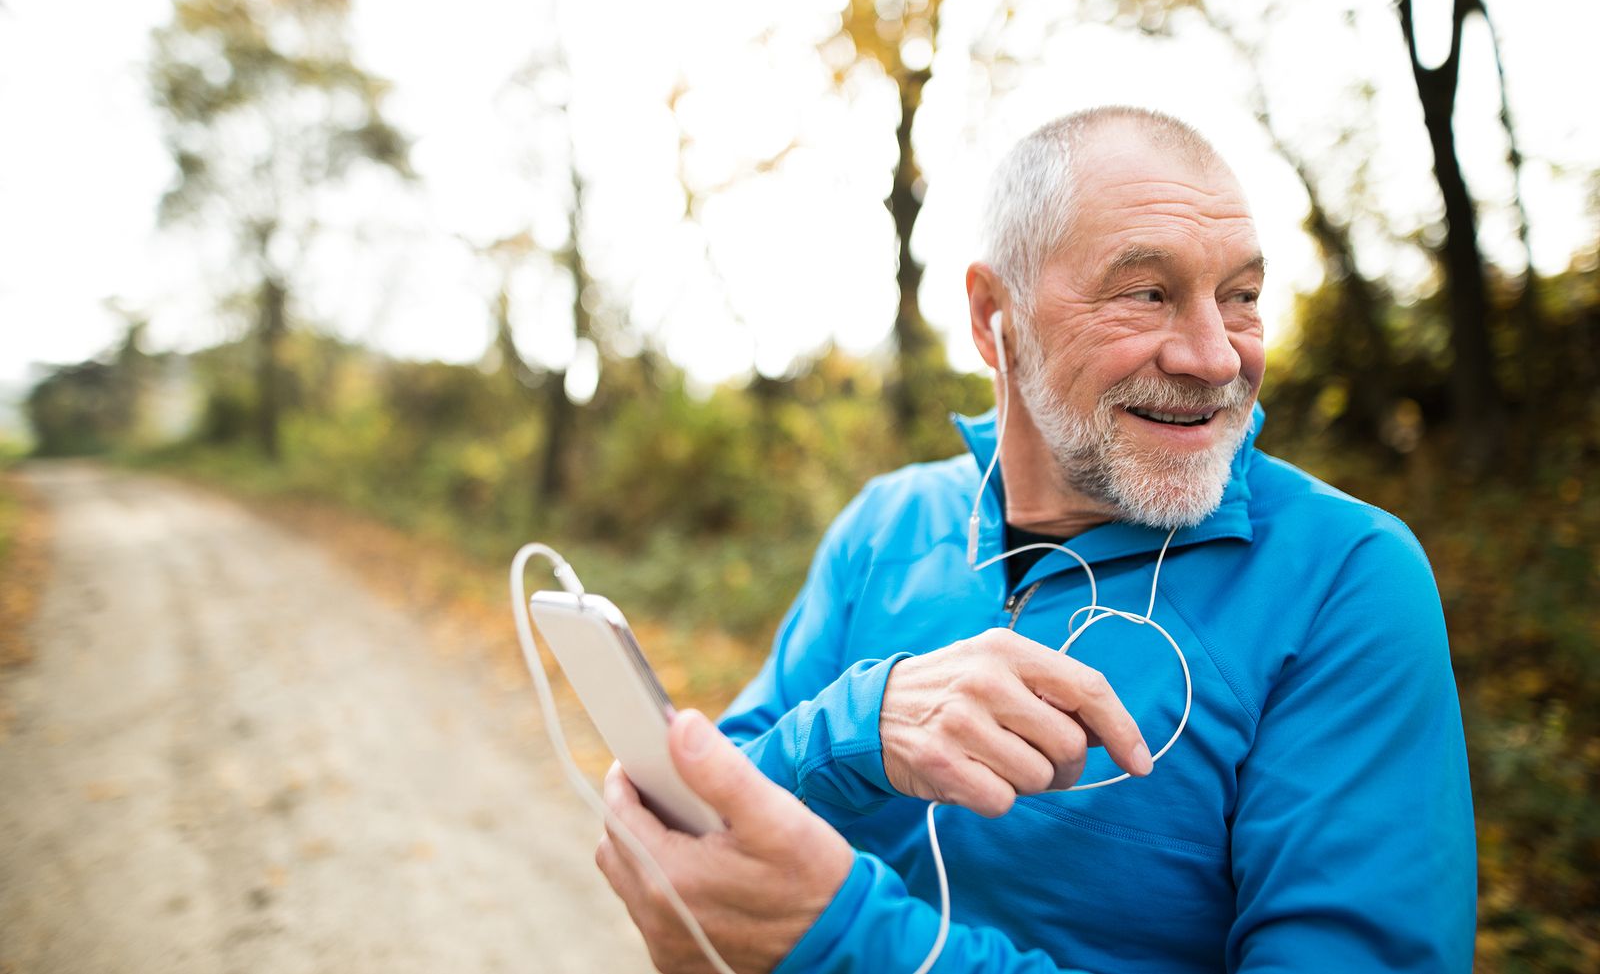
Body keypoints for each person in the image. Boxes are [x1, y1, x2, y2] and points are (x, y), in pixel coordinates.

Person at [594, 107, 1477, 972]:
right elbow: (710, 800)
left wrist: (850, 941)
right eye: (1148, 293)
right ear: (993, 318)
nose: (1215, 356)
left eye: (1240, 296)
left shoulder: (1348, 577)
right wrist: (867, 720)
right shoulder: (887, 523)